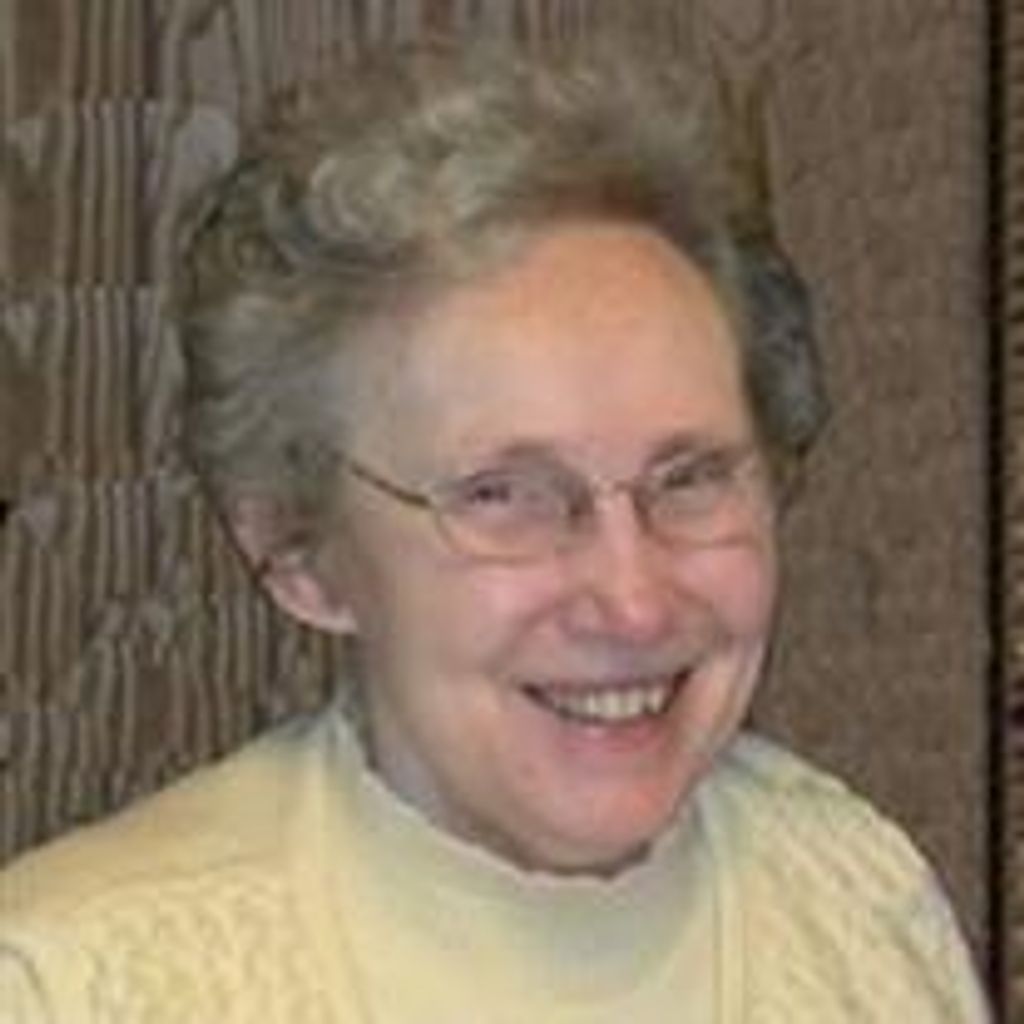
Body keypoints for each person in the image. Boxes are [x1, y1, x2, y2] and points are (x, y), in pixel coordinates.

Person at [0, 36, 990, 1022]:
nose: (633, 600)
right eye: (505, 495)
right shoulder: (77, 983)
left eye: (690, 478)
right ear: (298, 552)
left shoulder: (858, 909)